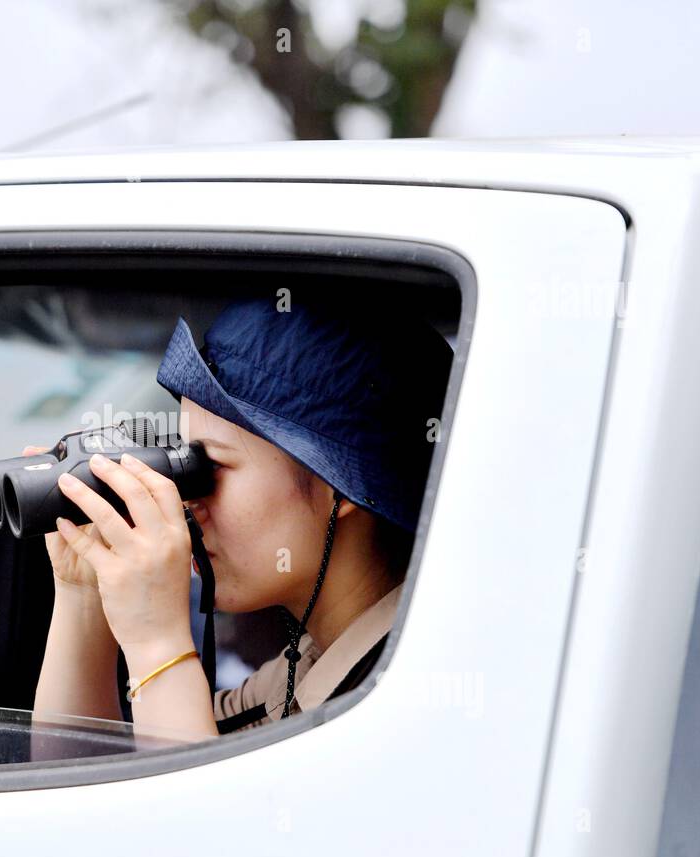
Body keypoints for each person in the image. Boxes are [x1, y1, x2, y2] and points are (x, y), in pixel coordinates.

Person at [31, 297, 453, 737]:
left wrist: (158, 641)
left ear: (338, 487)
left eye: (210, 466)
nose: (184, 500)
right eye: (182, 461)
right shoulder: (313, 663)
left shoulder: (404, 693)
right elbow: (76, 785)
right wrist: (83, 594)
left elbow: (187, 806)